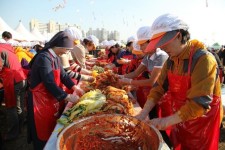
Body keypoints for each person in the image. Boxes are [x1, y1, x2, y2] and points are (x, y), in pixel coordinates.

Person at [136, 14, 223, 150]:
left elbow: (199, 104)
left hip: (202, 124)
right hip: (180, 118)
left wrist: (166, 121)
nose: (162, 48)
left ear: (178, 36)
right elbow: (158, 88)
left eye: (164, 43)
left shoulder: (203, 60)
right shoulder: (171, 61)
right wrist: (143, 113)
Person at [27, 31, 82, 150]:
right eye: (67, 49)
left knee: (51, 129)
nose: (67, 52)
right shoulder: (44, 58)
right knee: (42, 134)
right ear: (60, 47)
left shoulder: (56, 58)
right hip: (40, 101)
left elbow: (64, 76)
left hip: (50, 98)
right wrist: (67, 97)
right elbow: (49, 82)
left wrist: (74, 87)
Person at [0, 43, 27, 142]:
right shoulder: (7, 48)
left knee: (11, 108)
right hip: (22, 78)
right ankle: (20, 128)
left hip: (13, 81)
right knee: (19, 106)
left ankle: (12, 133)